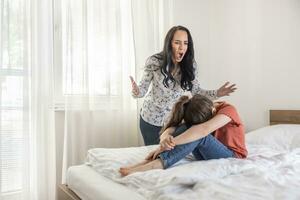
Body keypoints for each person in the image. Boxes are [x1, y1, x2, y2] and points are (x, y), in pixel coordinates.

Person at [130, 25, 236, 145]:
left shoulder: (190, 65)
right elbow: (142, 90)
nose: (182, 47)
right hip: (150, 120)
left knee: (167, 155)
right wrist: (136, 91)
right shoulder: (154, 61)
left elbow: (196, 92)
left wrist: (217, 93)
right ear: (169, 44)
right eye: (177, 42)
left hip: (173, 123)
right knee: (152, 154)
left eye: (185, 43)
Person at [119, 94, 247, 176]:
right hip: (209, 154)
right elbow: (173, 127)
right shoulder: (199, 108)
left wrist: (171, 143)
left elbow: (203, 129)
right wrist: (164, 140)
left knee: (199, 135)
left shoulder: (229, 110)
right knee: (188, 128)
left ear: (213, 110)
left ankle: (156, 164)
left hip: (232, 155)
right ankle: (147, 161)